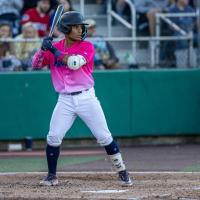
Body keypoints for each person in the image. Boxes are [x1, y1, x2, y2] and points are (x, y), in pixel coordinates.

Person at [32, 11, 133, 187]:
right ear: (66, 29)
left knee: (104, 136)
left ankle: (122, 171)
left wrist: (53, 49)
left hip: (87, 98)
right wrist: (42, 49)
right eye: (76, 27)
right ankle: (51, 176)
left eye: (81, 27)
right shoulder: (52, 48)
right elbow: (35, 65)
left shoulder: (87, 46)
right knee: (53, 137)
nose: (81, 30)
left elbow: (73, 63)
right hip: (64, 99)